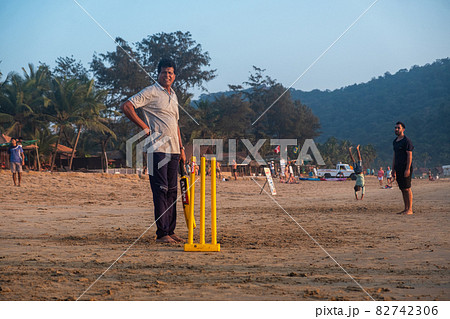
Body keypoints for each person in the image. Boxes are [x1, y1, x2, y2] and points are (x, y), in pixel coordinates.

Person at [121, 58, 186, 243]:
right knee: (161, 190)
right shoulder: (151, 91)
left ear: (174, 76)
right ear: (158, 73)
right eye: (164, 72)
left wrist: (181, 148)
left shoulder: (173, 95)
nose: (168, 75)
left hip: (174, 150)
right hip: (157, 150)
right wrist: (144, 127)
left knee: (172, 191)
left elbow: (176, 124)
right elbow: (127, 106)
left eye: (171, 73)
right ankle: (162, 233)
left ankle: (170, 230)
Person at [392, 121, 414, 215]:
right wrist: (393, 169)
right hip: (398, 168)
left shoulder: (406, 141)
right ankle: (405, 208)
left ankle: (410, 209)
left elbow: (409, 155)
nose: (396, 129)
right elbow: (394, 156)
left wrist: (407, 169)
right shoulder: (395, 141)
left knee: (407, 188)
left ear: (403, 129)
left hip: (405, 167)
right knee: (402, 189)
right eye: (395, 128)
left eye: (398, 128)